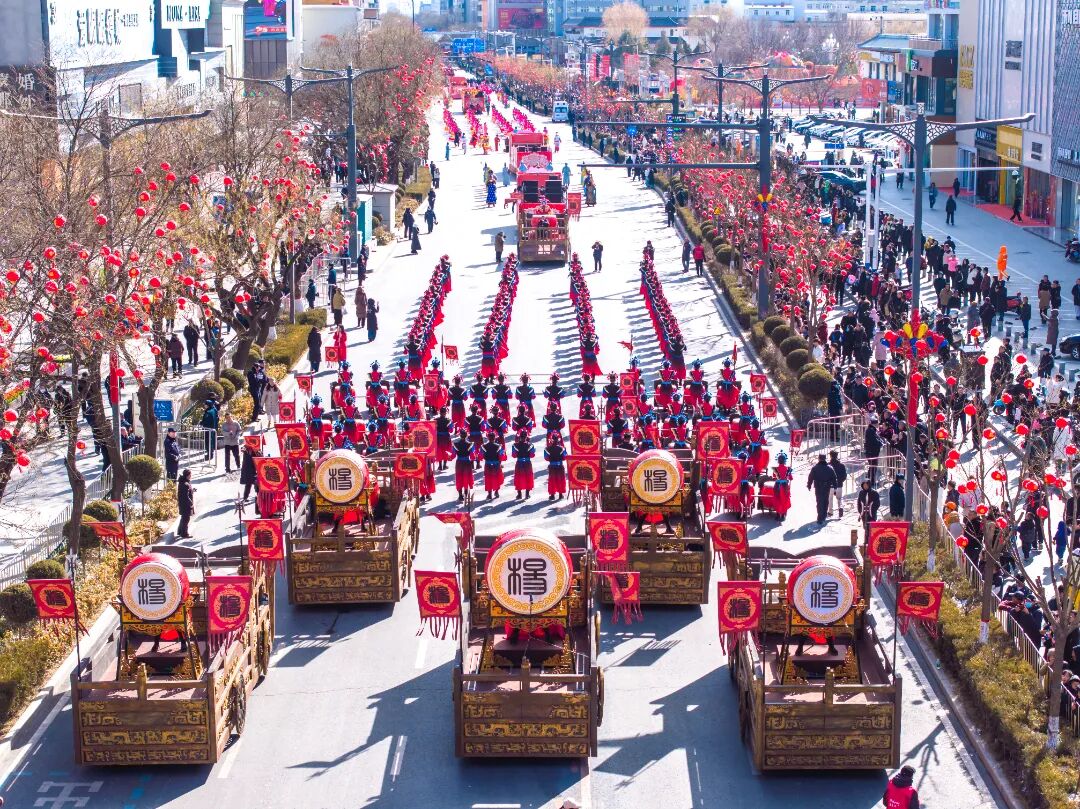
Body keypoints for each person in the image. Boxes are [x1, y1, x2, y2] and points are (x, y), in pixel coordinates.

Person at [806, 454, 837, 524]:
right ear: (825, 459)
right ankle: (824, 515)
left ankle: (820, 517)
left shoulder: (815, 468)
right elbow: (834, 478)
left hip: (818, 487)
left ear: (819, 459)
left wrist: (809, 485)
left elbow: (810, 477)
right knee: (825, 501)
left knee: (819, 501)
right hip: (827, 487)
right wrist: (835, 486)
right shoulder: (830, 468)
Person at [828, 450, 847, 518]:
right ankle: (840, 507)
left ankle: (830, 512)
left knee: (830, 498)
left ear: (830, 456)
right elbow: (844, 476)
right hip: (839, 485)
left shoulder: (829, 465)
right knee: (839, 498)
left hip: (831, 485)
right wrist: (841, 481)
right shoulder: (841, 465)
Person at [177, 469, 194, 538]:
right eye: (190, 475)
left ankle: (180, 531)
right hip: (185, 504)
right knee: (186, 519)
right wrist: (191, 503)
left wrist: (192, 490)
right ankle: (184, 533)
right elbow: (186, 496)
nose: (191, 476)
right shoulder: (185, 484)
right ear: (187, 475)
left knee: (183, 518)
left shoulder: (183, 482)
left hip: (182, 503)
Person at [200, 397, 218, 462]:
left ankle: (209, 455)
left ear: (207, 405)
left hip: (208, 430)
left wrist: (201, 423)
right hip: (213, 428)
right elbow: (217, 418)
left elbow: (206, 421)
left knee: (208, 442)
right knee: (212, 441)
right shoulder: (214, 409)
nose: (204, 406)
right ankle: (211, 453)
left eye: (205, 404)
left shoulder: (208, 412)